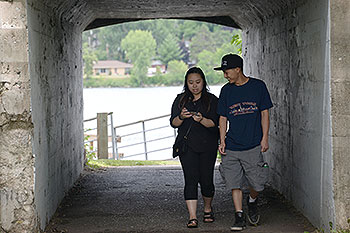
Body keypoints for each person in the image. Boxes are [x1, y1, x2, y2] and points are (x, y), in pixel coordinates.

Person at [214, 54, 273, 231]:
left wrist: (265, 137)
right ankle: (239, 215)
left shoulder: (258, 87)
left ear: (237, 69)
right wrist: (222, 140)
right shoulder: (226, 91)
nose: (225, 75)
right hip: (232, 145)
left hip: (253, 144)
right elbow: (223, 117)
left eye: (227, 71)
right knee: (234, 183)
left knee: (257, 184)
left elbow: (264, 114)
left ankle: (252, 200)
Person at [170, 67, 219, 228]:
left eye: (197, 82)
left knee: (206, 180)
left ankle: (207, 208)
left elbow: (215, 124)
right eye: (191, 83)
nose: (194, 86)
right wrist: (181, 117)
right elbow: (173, 123)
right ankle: (192, 216)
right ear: (186, 83)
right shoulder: (181, 100)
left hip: (208, 146)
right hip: (187, 147)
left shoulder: (211, 100)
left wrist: (201, 120)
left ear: (203, 82)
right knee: (190, 180)